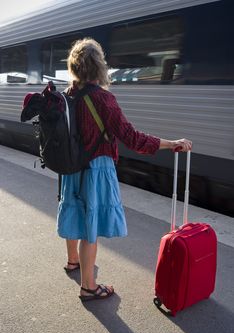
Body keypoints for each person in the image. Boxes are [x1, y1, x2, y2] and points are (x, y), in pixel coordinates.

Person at [56, 38, 192, 302]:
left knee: (75, 211)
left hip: (70, 168)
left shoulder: (67, 95)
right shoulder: (103, 99)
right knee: (90, 225)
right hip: (95, 168)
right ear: (99, 66)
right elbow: (131, 138)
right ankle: (88, 287)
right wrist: (171, 143)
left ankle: (73, 261)